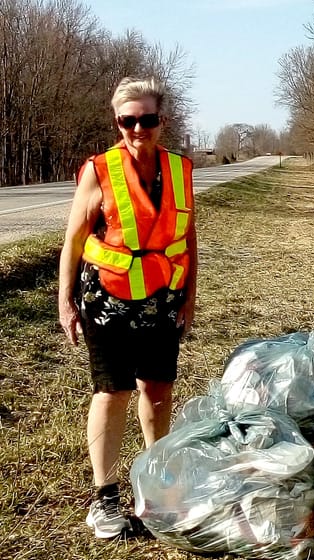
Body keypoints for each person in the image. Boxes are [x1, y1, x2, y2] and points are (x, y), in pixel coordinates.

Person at [57, 77, 197, 539]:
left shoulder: (180, 170)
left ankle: (155, 489)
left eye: (148, 119)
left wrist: (190, 297)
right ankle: (105, 498)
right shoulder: (100, 171)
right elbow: (74, 240)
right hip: (107, 300)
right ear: (117, 122)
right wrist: (65, 303)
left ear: (163, 120)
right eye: (128, 121)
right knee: (112, 392)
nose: (139, 129)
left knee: (157, 391)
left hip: (161, 301)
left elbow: (187, 239)